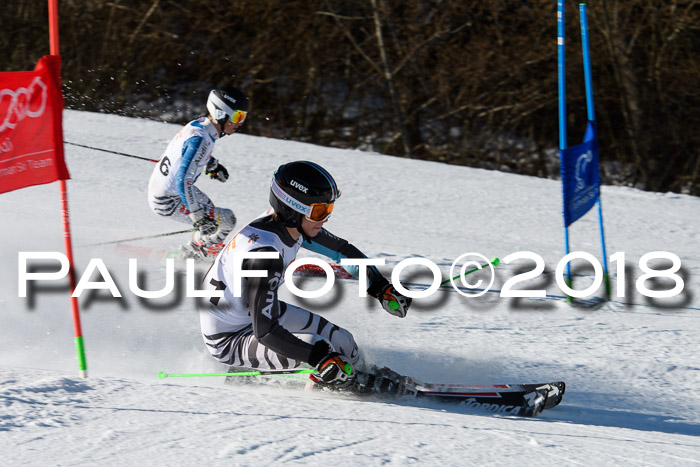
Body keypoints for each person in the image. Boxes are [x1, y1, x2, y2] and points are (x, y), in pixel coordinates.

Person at [198, 161, 412, 386]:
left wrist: (379, 287)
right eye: (320, 211)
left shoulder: (292, 225)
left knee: (344, 341)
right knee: (318, 346)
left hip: (252, 315)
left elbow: (342, 251)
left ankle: (364, 376)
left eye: (328, 209)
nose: (326, 218)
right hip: (230, 339)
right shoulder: (264, 255)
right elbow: (265, 331)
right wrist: (320, 358)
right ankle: (253, 376)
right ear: (292, 209)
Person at [148, 85, 249, 259]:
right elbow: (183, 181)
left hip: (172, 191)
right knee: (227, 220)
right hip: (168, 200)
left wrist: (212, 165)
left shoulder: (200, 126)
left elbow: (192, 155)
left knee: (212, 216)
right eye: (238, 116)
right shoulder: (200, 139)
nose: (240, 123)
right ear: (221, 113)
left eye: (243, 117)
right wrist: (197, 216)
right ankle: (203, 250)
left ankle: (200, 245)